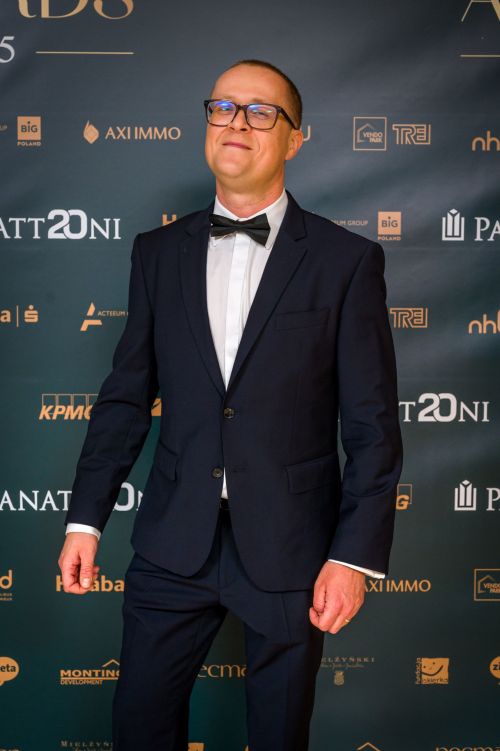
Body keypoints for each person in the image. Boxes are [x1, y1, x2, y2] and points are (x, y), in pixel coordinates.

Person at [58, 59, 403, 751]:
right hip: (171, 542)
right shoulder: (157, 253)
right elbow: (125, 399)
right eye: (222, 107)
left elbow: (372, 428)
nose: (236, 122)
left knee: (278, 736)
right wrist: (85, 519)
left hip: (292, 546)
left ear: (295, 137)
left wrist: (353, 558)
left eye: (260, 110)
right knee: (138, 727)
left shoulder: (346, 261)